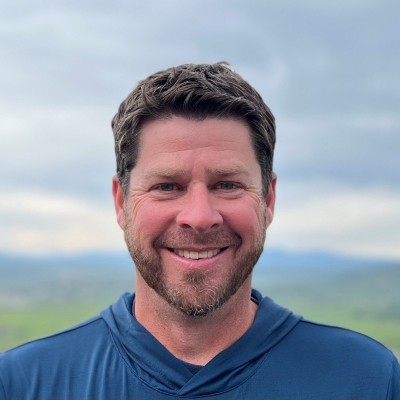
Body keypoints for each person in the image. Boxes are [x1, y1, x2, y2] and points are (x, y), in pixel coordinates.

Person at [0, 62, 399, 399]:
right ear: (122, 203)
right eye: (166, 186)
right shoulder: (23, 384)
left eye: (227, 184)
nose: (199, 216)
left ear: (268, 199)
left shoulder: (366, 379)